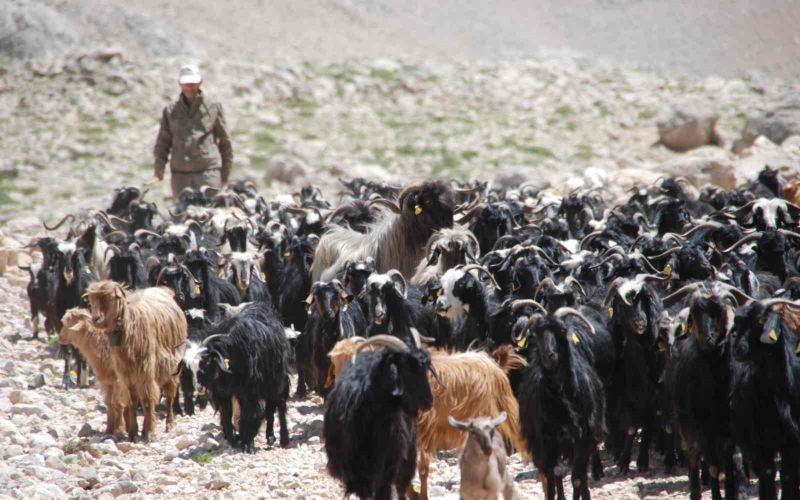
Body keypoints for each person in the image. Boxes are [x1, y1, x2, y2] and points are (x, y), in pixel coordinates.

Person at [153, 63, 233, 197]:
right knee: (181, 215)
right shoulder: (170, 111)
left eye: (193, 82)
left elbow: (225, 142)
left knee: (212, 214)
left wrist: (224, 175)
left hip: (208, 174)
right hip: (180, 177)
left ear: (200, 82)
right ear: (179, 83)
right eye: (186, 83)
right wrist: (159, 167)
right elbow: (163, 143)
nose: (190, 87)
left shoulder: (213, 107)